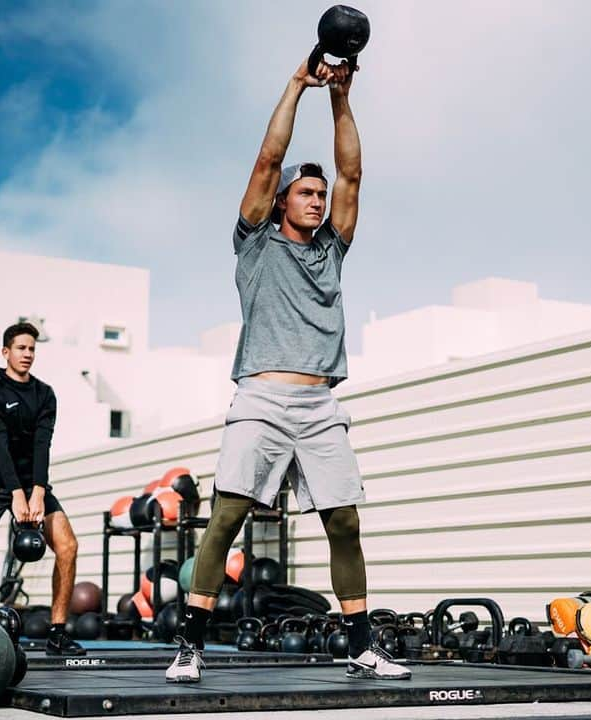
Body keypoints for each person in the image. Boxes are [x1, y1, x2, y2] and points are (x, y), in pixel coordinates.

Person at [166, 57, 409, 682]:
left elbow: (353, 171)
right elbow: (266, 162)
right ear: (279, 204)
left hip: (321, 405)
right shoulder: (256, 241)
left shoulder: (332, 248)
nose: (318, 199)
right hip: (262, 397)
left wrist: (342, 98)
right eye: (306, 192)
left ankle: (360, 644)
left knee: (345, 520)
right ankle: (190, 644)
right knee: (226, 515)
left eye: (320, 194)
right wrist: (300, 84)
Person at [0, 321, 85, 656]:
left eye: (32, 349)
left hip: (32, 483)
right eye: (21, 348)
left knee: (68, 546)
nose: (27, 354)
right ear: (5, 352)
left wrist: (37, 490)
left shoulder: (45, 394)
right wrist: (16, 493)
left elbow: (43, 444)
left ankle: (57, 633)